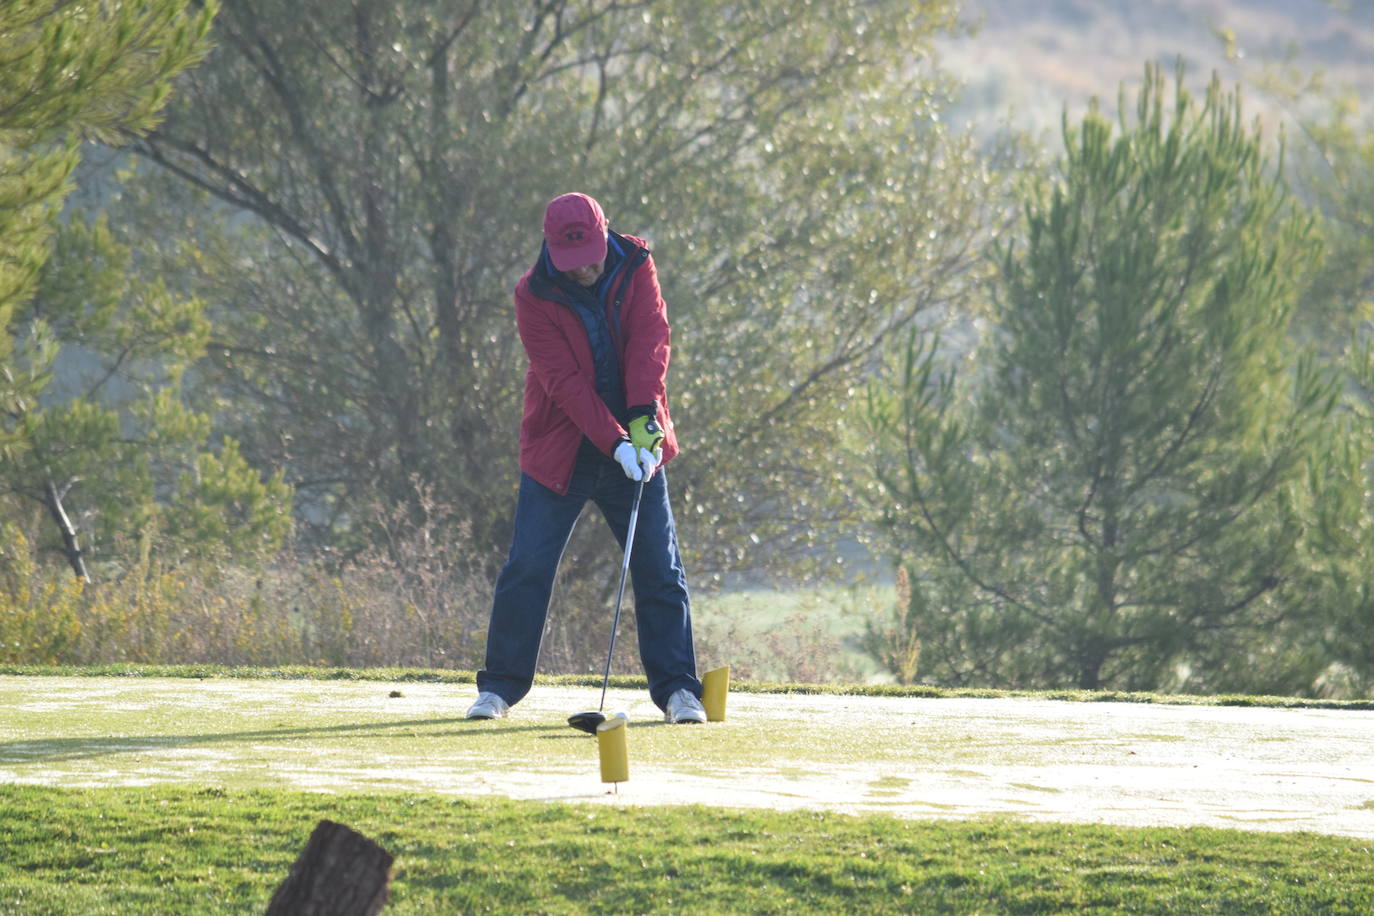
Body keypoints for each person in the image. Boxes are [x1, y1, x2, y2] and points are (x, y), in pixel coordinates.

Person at [466, 192, 706, 724]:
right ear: (553, 249)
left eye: (594, 255)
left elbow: (650, 344)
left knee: (659, 569)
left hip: (636, 444)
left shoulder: (637, 263)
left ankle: (677, 692)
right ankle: (499, 689)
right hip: (562, 448)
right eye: (576, 262)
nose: (589, 269)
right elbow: (563, 384)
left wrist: (643, 429)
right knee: (527, 566)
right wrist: (615, 442)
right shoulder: (533, 294)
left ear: (604, 235)